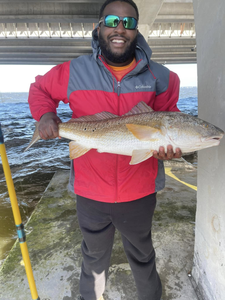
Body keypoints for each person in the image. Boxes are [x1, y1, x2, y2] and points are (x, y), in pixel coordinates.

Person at [28, 0, 182, 299]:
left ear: (137, 30)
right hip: (90, 191)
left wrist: (169, 148)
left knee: (142, 256)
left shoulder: (163, 77)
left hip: (139, 190)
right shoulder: (74, 70)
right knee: (94, 260)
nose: (120, 28)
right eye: (113, 21)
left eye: (129, 22)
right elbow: (40, 90)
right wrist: (45, 115)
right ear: (99, 27)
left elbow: (169, 118)